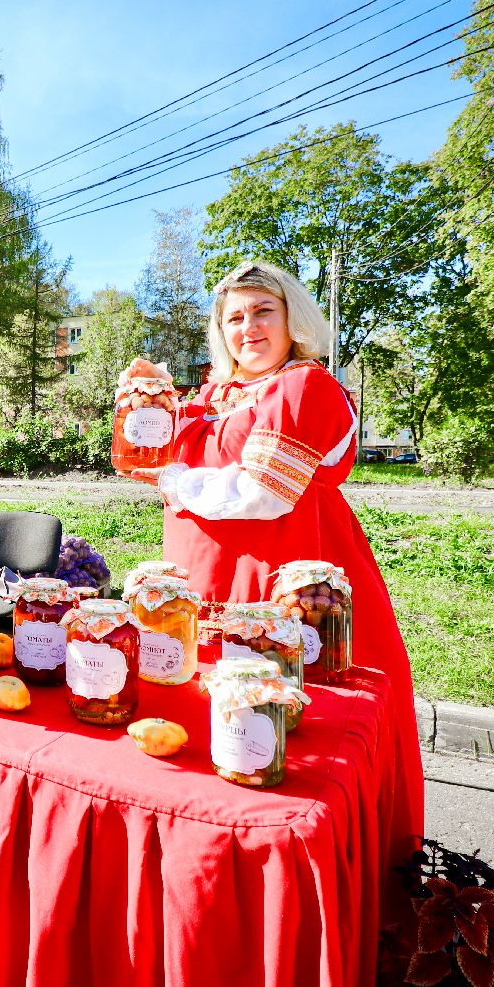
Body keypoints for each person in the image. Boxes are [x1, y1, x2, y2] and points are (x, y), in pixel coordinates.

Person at [121, 259, 422, 846]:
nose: (248, 327)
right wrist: (145, 403)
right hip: (204, 575)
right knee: (204, 723)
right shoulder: (211, 394)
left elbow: (262, 491)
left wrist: (173, 483)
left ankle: (281, 871)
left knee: (285, 728)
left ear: (294, 320)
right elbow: (148, 457)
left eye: (263, 311)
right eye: (234, 317)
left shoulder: (302, 384)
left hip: (281, 572)